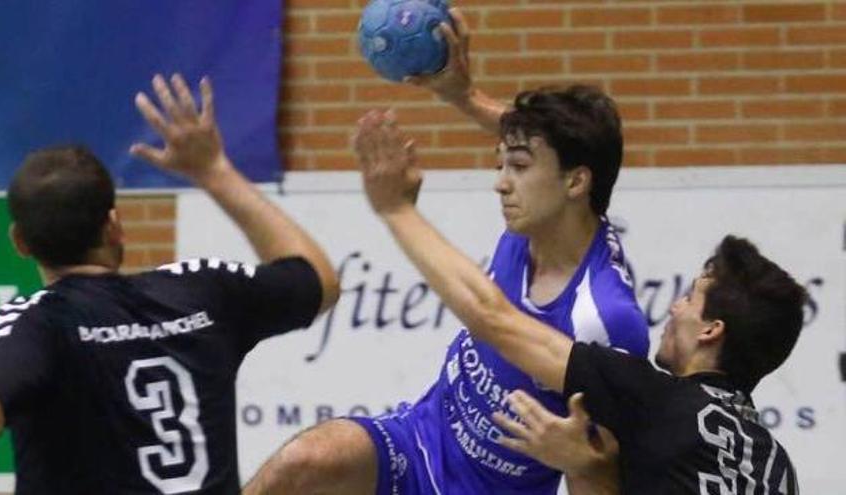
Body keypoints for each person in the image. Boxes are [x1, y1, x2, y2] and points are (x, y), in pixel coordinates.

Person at [249, 46, 648, 495]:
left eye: (517, 168)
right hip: (419, 440)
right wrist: (463, 95)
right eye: (501, 164)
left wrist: (396, 209)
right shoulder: (537, 221)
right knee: (303, 462)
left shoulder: (605, 317)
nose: (500, 182)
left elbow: (488, 315)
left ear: (577, 181)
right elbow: (538, 141)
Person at [352, 110, 805, 494]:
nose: (673, 309)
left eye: (689, 299)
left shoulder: (649, 398)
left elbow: (496, 321)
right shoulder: (775, 464)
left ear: (711, 330)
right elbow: (569, 164)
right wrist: (465, 99)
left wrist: (397, 209)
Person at [0, 74, 339, 494]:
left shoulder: (36, 322)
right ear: (115, 225)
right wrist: (216, 172)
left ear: (20, 242)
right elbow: (316, 279)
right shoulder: (201, 291)